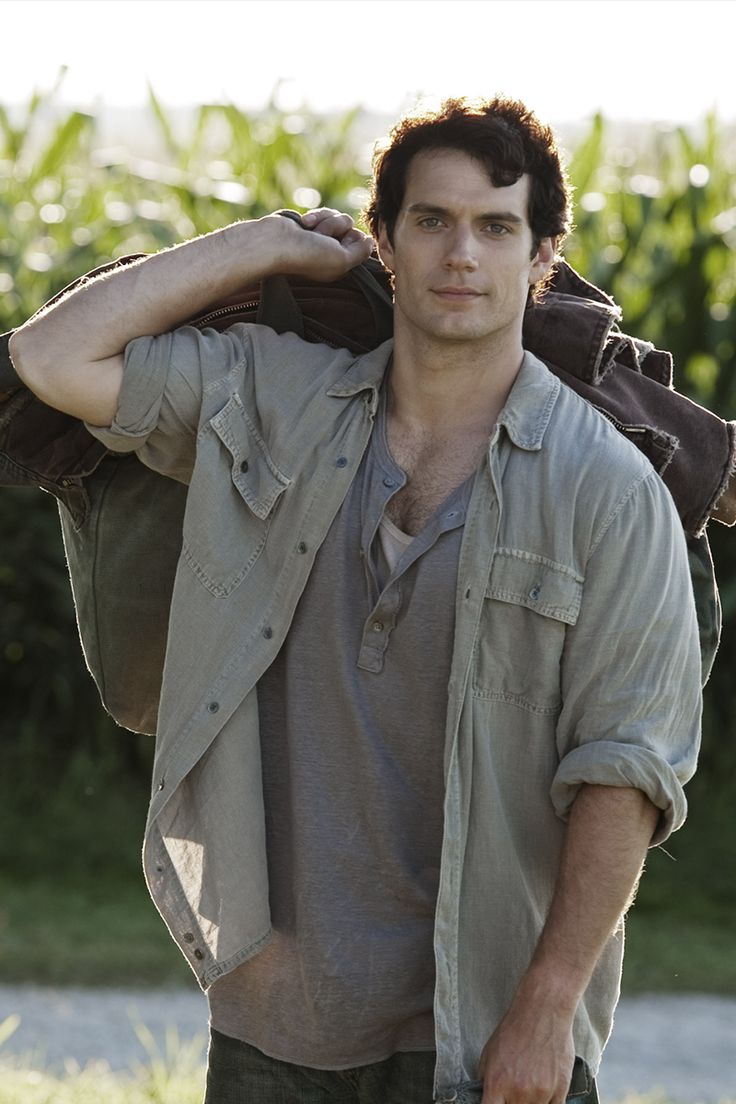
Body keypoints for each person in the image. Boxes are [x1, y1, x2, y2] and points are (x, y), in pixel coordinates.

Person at [9, 96, 701, 1104]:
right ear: (383, 242)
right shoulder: (277, 402)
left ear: (542, 257)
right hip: (277, 1012)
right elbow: (50, 359)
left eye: (496, 226)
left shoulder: (605, 489)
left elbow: (626, 769)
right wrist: (267, 246)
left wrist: (547, 1009)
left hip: (483, 1020)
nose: (459, 254)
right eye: (429, 221)